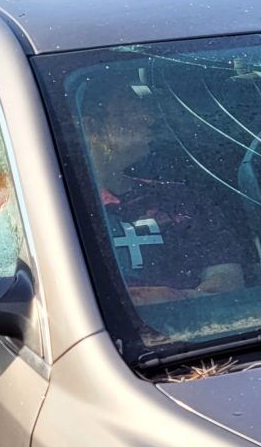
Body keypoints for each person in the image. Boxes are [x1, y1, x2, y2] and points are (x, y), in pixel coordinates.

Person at [84, 80, 248, 305]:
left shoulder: (181, 199)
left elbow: (229, 278)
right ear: (92, 129)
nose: (150, 120)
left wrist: (179, 301)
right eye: (132, 111)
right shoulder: (62, 211)